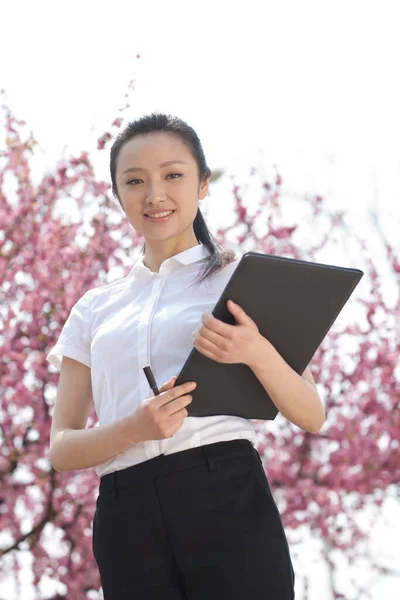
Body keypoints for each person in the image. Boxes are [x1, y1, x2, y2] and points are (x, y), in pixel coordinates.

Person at [46, 112, 325, 599]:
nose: (155, 195)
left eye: (173, 175)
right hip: (123, 512)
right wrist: (133, 429)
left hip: (225, 492)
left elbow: (311, 412)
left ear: (202, 185)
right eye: (135, 181)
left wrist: (255, 351)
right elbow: (61, 447)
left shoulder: (240, 278)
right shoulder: (93, 309)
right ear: (117, 196)